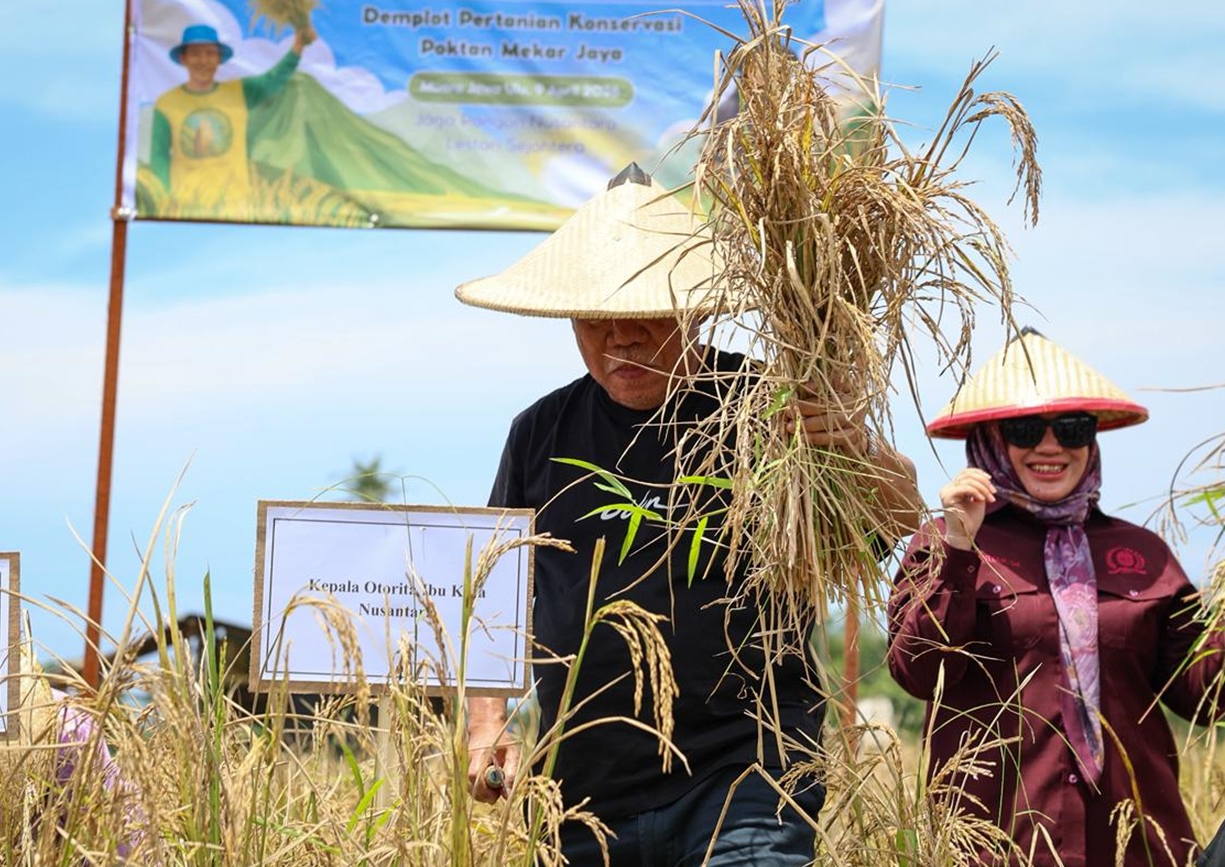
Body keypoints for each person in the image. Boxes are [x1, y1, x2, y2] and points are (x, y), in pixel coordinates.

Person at [456, 165, 920, 866]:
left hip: (747, 776)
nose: (624, 339)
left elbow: (901, 511)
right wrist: (486, 721)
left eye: (649, 313)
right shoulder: (540, 434)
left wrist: (856, 443)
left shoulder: (769, 406)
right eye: (596, 319)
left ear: (698, 308)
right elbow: (498, 594)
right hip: (583, 796)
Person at [887, 328, 1225, 867]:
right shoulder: (945, 542)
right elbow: (917, 673)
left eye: (1072, 429)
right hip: (1000, 845)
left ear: (1091, 441)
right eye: (1025, 429)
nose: (1051, 447)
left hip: (1135, 846)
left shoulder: (1145, 553)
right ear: (991, 438)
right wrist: (959, 549)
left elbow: (1206, 696)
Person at [148, 23, 314, 216]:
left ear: (219, 58)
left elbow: (273, 80)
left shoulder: (240, 91)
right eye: (195, 53)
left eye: (210, 53)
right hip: (187, 209)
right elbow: (158, 157)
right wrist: (167, 199)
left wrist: (297, 48)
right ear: (183, 58)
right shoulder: (166, 103)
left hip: (236, 207)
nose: (203, 60)